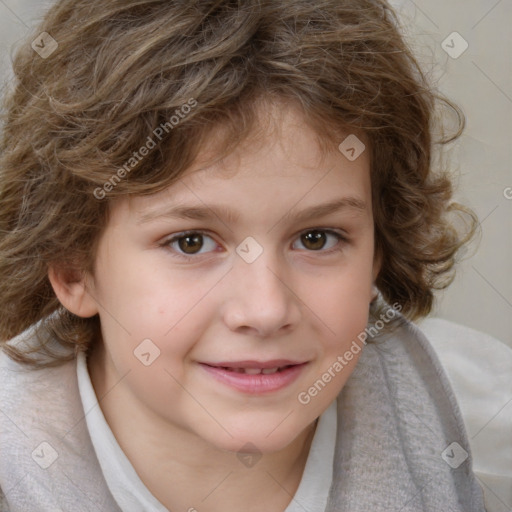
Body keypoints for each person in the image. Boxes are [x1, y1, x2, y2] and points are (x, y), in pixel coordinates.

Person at [0, 0, 502, 510]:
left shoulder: (483, 430)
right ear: (72, 268)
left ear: (378, 249)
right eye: (191, 242)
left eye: (316, 238)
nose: (265, 310)